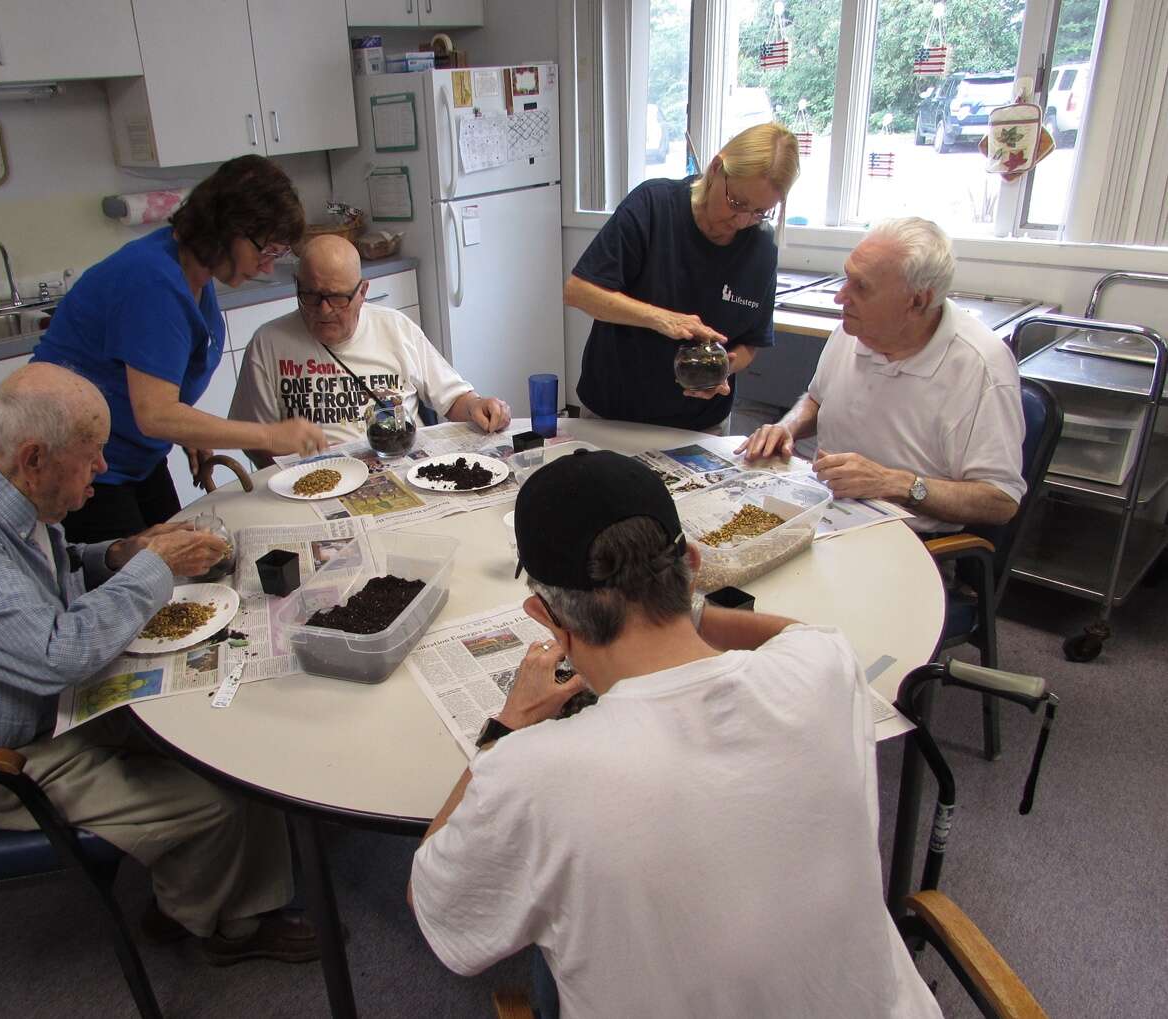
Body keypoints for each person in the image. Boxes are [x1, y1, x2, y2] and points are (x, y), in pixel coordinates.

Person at [408, 450, 942, 1019]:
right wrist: (692, 613)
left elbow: (434, 903)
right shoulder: (825, 667)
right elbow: (803, 635)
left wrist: (506, 726)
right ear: (690, 564)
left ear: (544, 615)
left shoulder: (530, 774)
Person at [0, 364, 318, 966]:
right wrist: (155, 566)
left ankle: (230, 894)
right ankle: (216, 924)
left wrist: (120, 552)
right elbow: (59, 653)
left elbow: (51, 571)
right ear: (35, 458)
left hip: (44, 708)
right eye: (92, 457)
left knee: (232, 735)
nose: (104, 471)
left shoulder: (0, 488)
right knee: (213, 802)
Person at [31, 155, 327, 543]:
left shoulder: (194, 276)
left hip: (134, 458)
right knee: (139, 584)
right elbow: (155, 414)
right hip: (86, 469)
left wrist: (192, 431)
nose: (268, 268)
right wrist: (269, 436)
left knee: (179, 563)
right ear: (228, 229)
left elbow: (156, 383)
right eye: (266, 250)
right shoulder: (152, 281)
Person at [738, 217, 1025, 533]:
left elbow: (1001, 500)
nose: (840, 297)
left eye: (861, 287)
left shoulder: (981, 365)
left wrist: (894, 483)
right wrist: (787, 428)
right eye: (847, 279)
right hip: (828, 511)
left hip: (911, 538)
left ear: (918, 300)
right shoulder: (854, 329)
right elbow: (818, 401)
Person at [564, 123, 800, 432]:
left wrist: (724, 369)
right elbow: (579, 291)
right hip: (617, 415)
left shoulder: (762, 247)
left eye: (760, 212)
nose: (742, 220)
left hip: (701, 426)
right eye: (737, 202)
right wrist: (662, 319)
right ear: (716, 168)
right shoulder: (653, 206)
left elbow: (750, 344)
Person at [229, 235, 511, 457]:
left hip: (400, 464)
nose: (324, 311)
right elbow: (254, 439)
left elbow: (454, 400)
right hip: (315, 479)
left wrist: (478, 404)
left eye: (338, 298)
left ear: (363, 292)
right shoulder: (268, 343)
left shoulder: (395, 327)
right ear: (297, 286)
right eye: (311, 296)